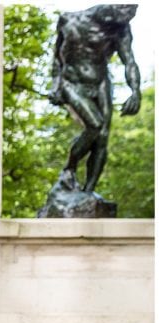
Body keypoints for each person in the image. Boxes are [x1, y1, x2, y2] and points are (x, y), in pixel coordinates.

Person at [48, 4, 140, 194]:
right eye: (119, 16)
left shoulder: (120, 28)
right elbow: (57, 56)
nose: (120, 22)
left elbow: (128, 60)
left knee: (103, 138)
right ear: (111, 8)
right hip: (72, 82)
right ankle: (70, 168)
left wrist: (135, 90)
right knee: (95, 126)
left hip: (100, 82)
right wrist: (55, 84)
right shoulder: (69, 19)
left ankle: (89, 191)